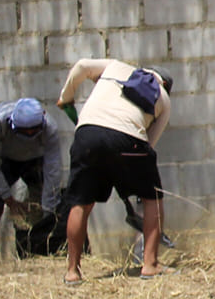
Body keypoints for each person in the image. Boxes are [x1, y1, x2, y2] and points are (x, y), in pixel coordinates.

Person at [55, 58, 173, 284]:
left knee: (81, 202)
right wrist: (125, 173)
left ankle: (72, 271)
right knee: (152, 198)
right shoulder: (164, 99)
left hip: (86, 134)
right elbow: (149, 144)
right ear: (165, 84)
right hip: (129, 140)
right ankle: (150, 264)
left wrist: (66, 97)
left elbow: (81, 66)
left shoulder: (115, 67)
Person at [0, 97, 63, 260]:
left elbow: (53, 168)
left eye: (34, 131)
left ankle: (42, 253)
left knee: (42, 207)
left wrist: (48, 209)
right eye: (24, 132)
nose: (30, 135)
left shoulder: (50, 127)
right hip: (3, 161)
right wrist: (9, 200)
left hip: (34, 160)